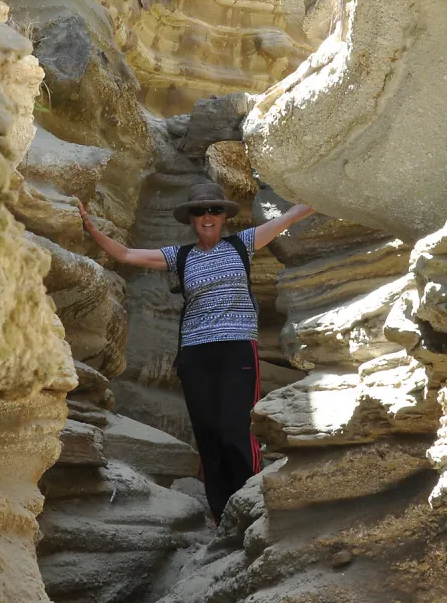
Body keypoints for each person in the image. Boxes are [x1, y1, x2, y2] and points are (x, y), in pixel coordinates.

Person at [78, 180, 315, 523]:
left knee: (236, 428)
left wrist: (327, 193)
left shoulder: (242, 244)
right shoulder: (181, 256)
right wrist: (90, 227)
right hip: (195, 352)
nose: (207, 216)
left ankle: (248, 502)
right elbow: (126, 255)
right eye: (199, 211)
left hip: (237, 348)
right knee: (208, 432)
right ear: (190, 218)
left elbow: (288, 218)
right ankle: (222, 514)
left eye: (214, 210)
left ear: (223, 216)